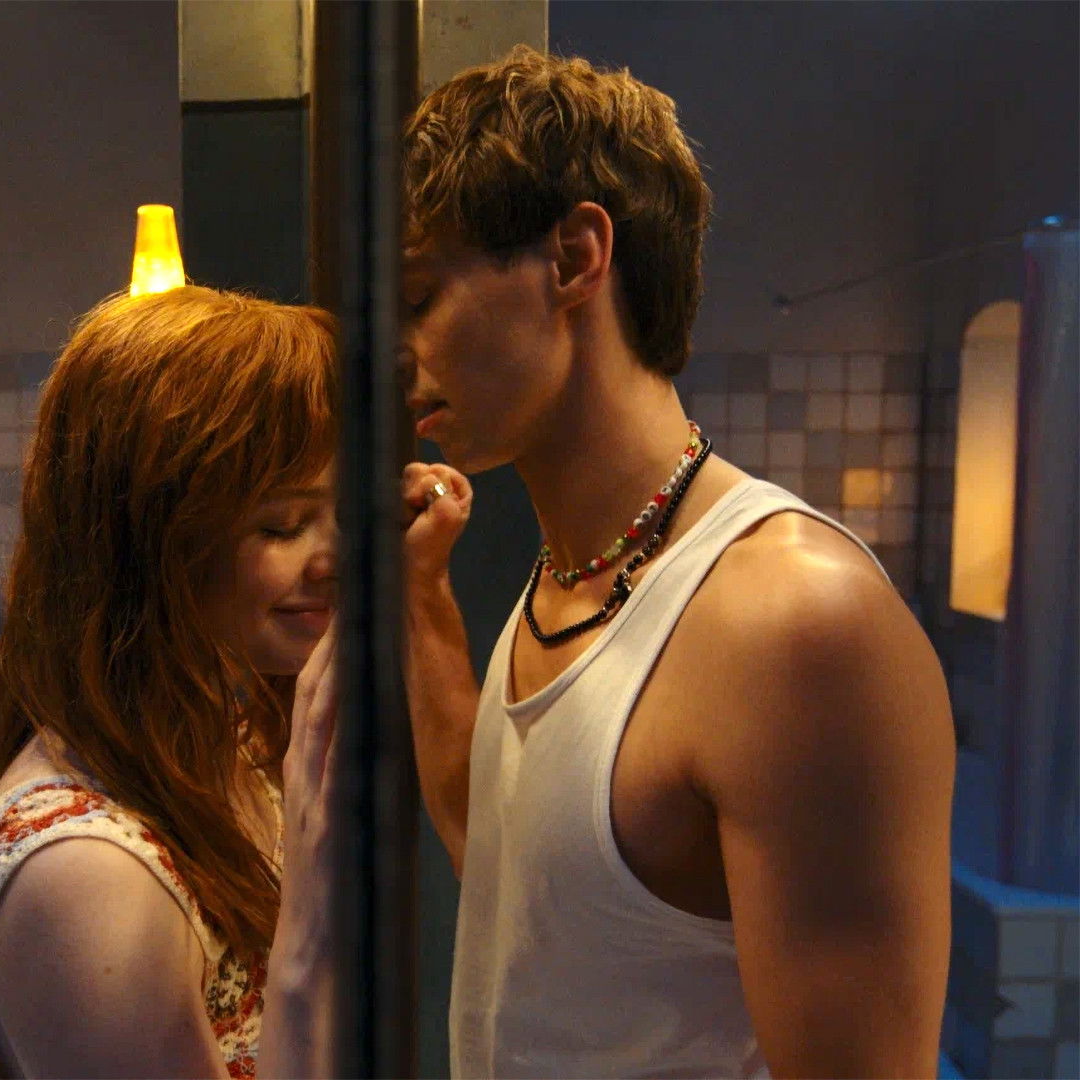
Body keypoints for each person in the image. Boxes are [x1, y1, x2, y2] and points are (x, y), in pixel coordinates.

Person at [396, 47, 954, 1077]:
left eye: (420, 294)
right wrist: (418, 599)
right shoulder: (573, 578)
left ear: (574, 258)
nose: (394, 348)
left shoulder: (794, 623)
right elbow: (519, 874)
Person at [0, 286, 344, 1078]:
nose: (336, 557)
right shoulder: (87, 875)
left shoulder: (225, 738)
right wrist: (316, 911)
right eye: (283, 525)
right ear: (146, 542)